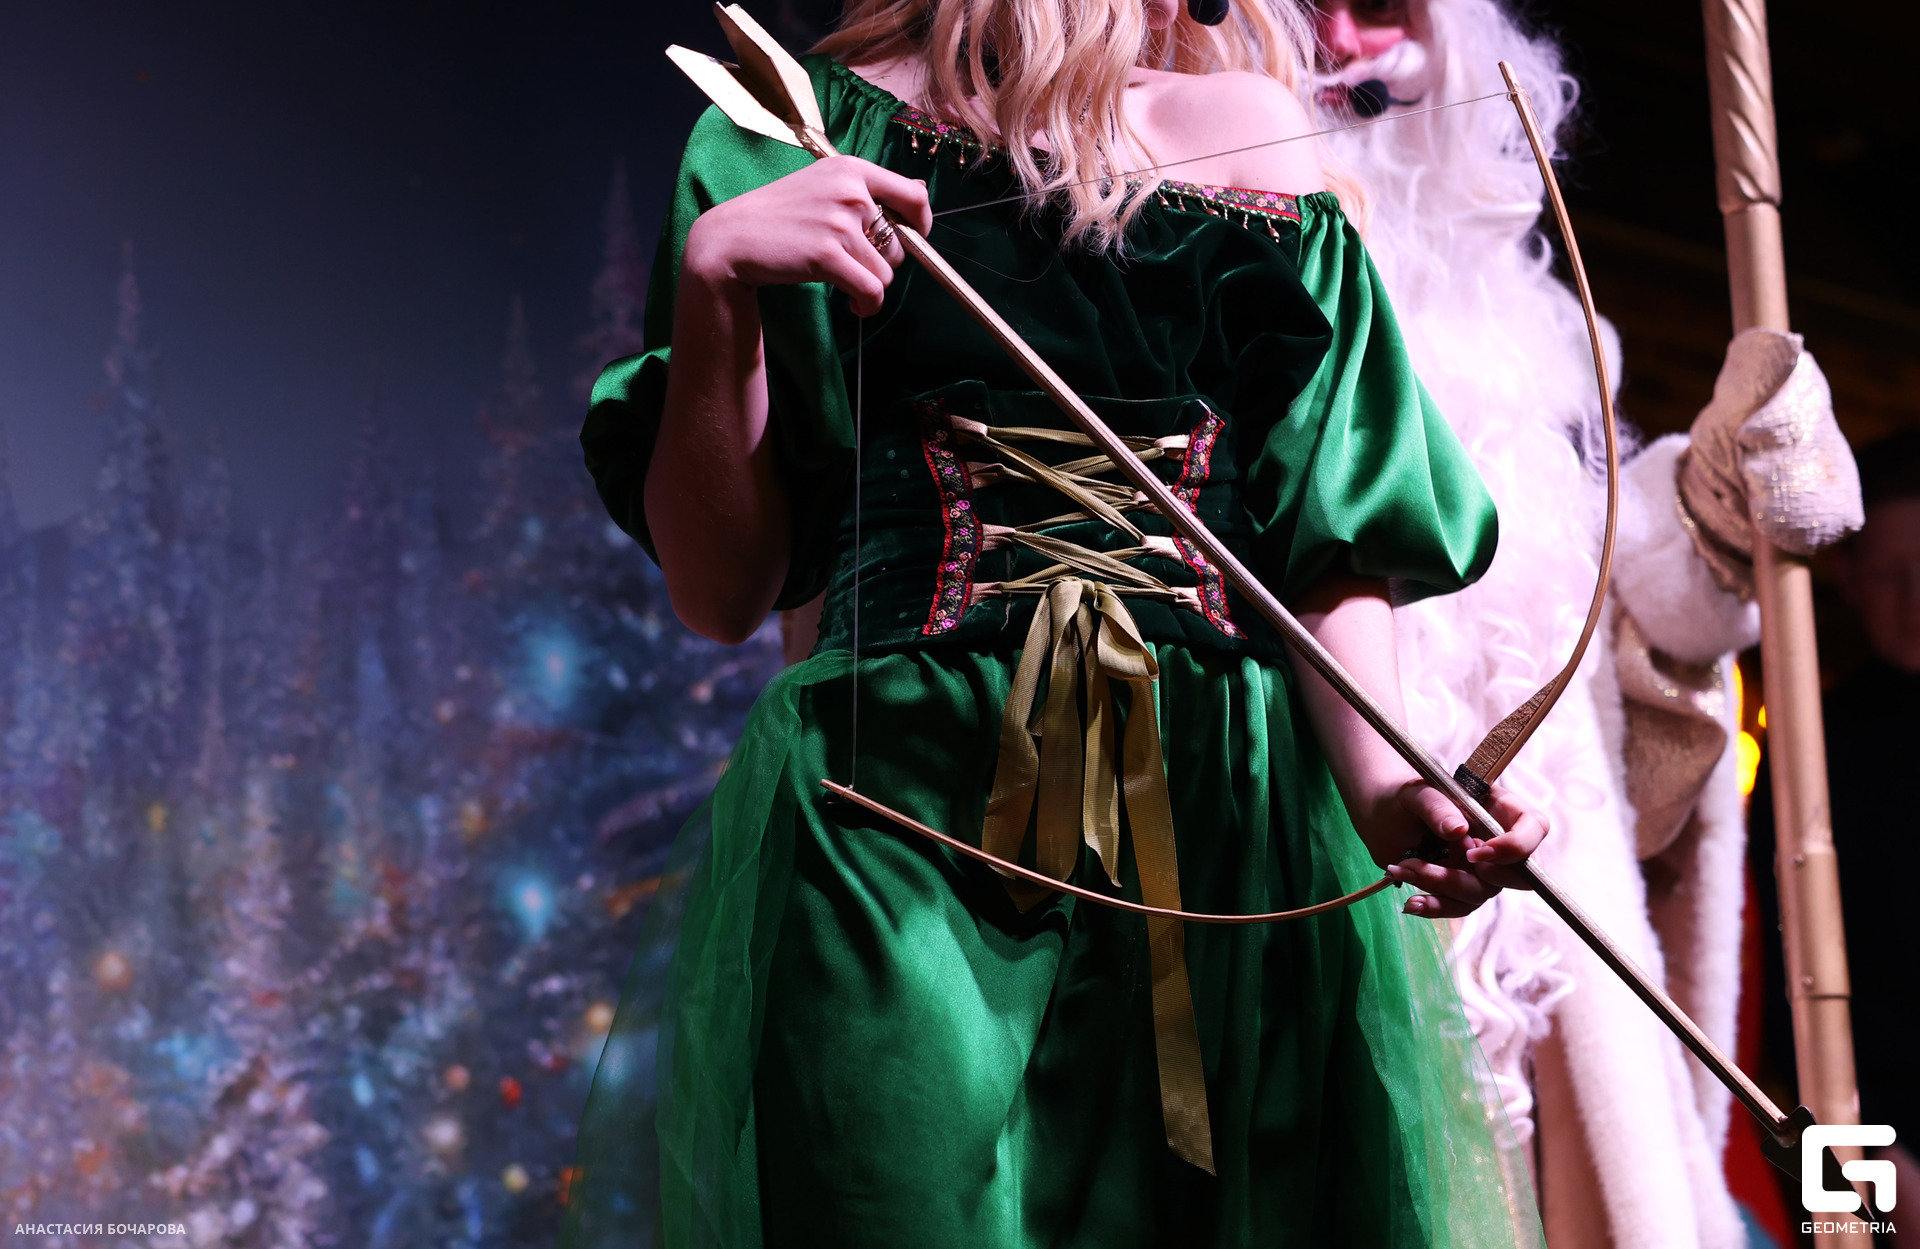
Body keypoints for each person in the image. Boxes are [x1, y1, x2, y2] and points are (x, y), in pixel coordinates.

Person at [561, 0, 1554, 1244]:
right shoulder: (796, 131)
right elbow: (720, 594)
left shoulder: (1251, 133)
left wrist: (1392, 790)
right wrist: (717, 284)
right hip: (904, 811)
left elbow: (1322, 540)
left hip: (1223, 820)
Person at [1306, 1, 1863, 1246]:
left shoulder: (1523, 339)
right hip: (1308, 955)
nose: (1340, 39)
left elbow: (1619, 670)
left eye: (1380, 1)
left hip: (1548, 990)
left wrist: (1717, 499)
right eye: (1296, 5)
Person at [1751, 429, 1920, 1249]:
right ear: (1848, 579)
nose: (1915, 600)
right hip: (1873, 1143)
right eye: (1890, 575)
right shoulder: (1811, 746)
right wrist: (1878, 1169)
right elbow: (1784, 994)